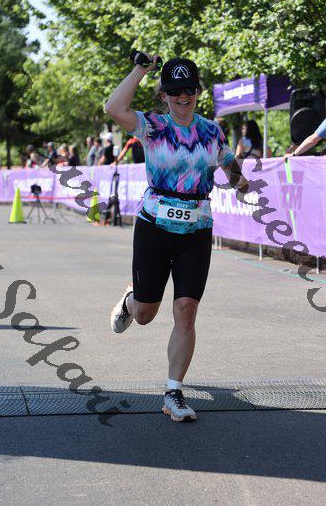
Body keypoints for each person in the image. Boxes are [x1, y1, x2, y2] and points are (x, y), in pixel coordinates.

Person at [105, 54, 247, 422]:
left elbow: (227, 160)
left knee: (186, 310)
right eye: (175, 91)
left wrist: (239, 181)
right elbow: (113, 108)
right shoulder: (152, 126)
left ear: (198, 92)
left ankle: (173, 392)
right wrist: (140, 69)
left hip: (196, 230)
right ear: (164, 96)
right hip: (154, 227)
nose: (183, 96)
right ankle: (131, 301)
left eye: (189, 89)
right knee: (146, 315)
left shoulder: (211, 130)